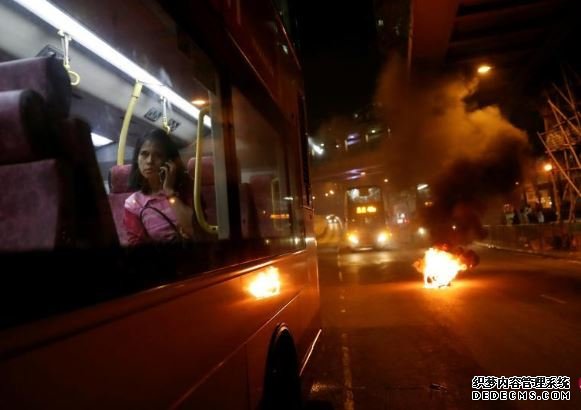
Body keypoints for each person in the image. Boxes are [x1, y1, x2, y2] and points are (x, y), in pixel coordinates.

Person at [123, 129, 194, 245]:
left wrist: (170, 192)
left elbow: (194, 231)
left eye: (158, 155)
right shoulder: (133, 203)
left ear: (168, 161)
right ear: (137, 158)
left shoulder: (186, 187)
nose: (150, 161)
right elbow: (136, 247)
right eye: (144, 154)